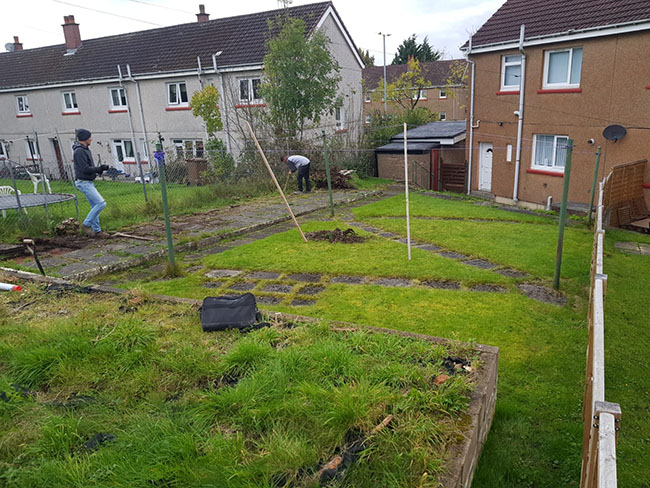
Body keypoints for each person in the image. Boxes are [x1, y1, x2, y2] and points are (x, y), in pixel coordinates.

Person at [73, 129, 110, 237]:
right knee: (101, 203)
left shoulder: (85, 149)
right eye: (89, 137)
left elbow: (88, 167)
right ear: (85, 138)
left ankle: (97, 231)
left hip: (88, 181)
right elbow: (84, 168)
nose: (91, 139)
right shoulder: (79, 151)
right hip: (83, 182)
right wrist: (98, 169)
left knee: (95, 205)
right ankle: (86, 224)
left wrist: (99, 169)